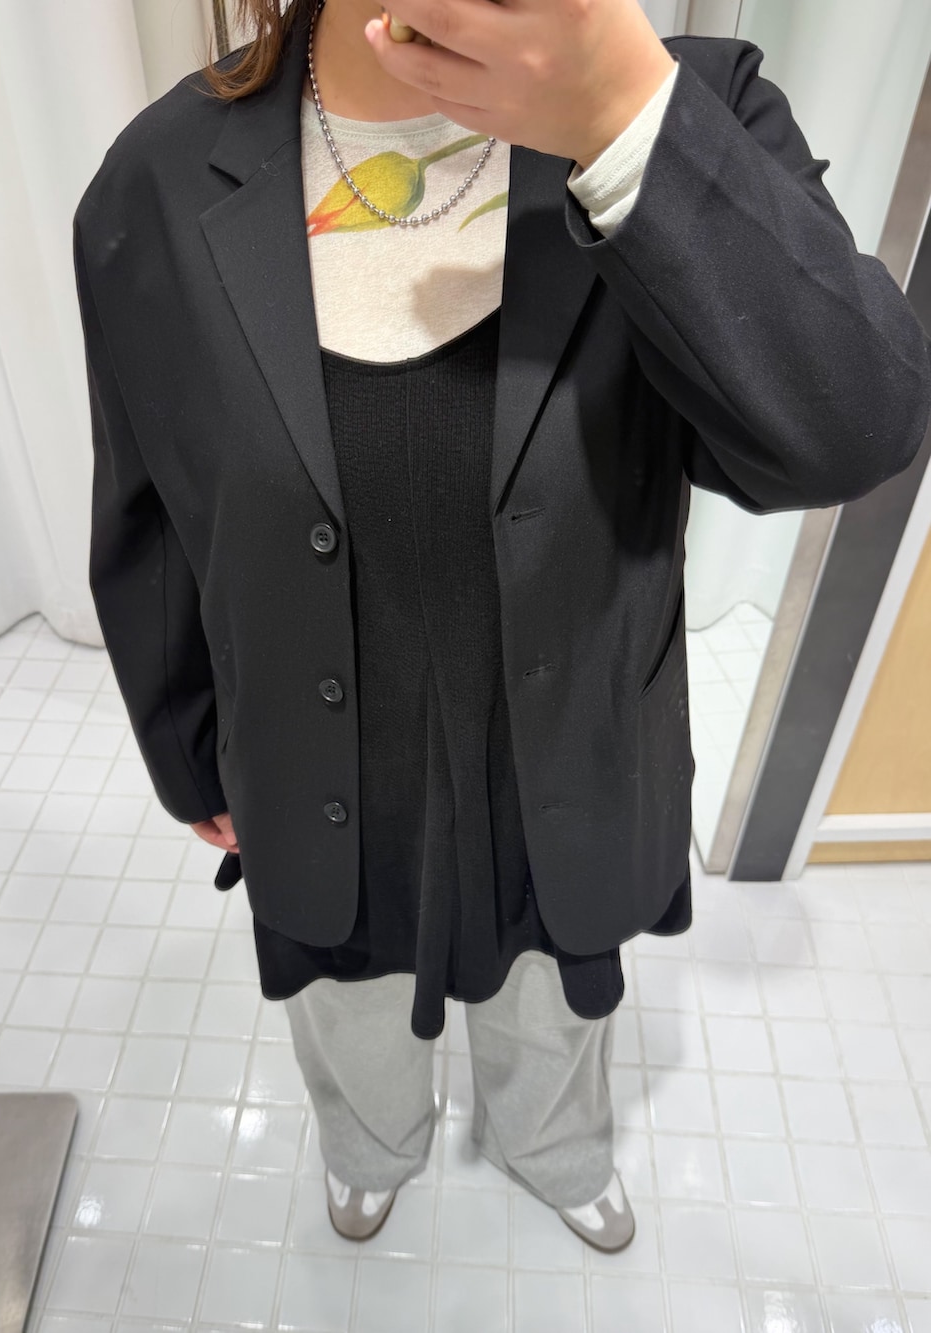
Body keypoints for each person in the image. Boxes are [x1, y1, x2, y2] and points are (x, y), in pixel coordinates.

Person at [72, 0, 931, 1250]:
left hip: (566, 740)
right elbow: (146, 508)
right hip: (319, 757)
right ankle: (372, 1145)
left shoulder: (690, 110)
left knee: (554, 987)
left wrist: (619, 116)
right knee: (344, 995)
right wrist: (189, 749)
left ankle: (551, 1142)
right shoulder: (153, 184)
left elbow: (851, 427)